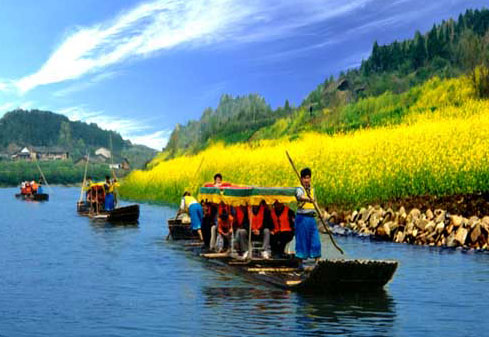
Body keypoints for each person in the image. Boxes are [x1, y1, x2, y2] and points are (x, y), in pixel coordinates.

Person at [295, 167, 321, 268]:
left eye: (308, 178)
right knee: (301, 241)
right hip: (302, 219)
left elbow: (315, 201)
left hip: (311, 218)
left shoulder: (312, 189)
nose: (306, 180)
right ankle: (300, 264)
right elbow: (300, 197)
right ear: (301, 179)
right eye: (304, 178)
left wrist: (320, 213)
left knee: (316, 241)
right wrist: (308, 199)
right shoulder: (299, 189)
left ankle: (317, 263)